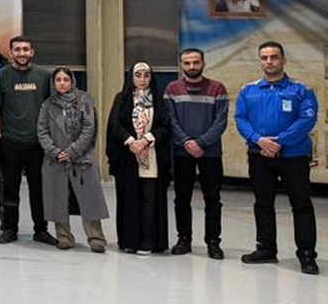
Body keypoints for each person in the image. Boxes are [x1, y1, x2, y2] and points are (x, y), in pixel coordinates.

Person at [235, 41, 318, 274]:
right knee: (263, 203)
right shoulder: (248, 91)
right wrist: (259, 140)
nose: (269, 61)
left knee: (301, 204)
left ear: (283, 60)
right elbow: (241, 119)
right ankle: (266, 249)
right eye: (264, 57)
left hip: (294, 156)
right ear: (260, 61)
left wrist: (279, 141)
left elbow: (307, 119)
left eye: (274, 57)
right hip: (259, 155)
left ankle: (307, 255)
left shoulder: (301, 90)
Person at [164, 48, 229, 259]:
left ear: (203, 63)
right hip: (181, 152)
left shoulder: (217, 88)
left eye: (195, 62)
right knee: (182, 198)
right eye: (187, 63)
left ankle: (213, 242)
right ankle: (184, 239)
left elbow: (220, 122)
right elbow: (170, 120)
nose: (192, 66)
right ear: (181, 65)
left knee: (213, 199)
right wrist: (186, 142)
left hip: (210, 153)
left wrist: (200, 143)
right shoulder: (172, 89)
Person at [0, 35, 55, 245]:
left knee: (39, 190)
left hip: (38, 143)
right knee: (10, 189)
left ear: (32, 52)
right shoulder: (1, 77)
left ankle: (41, 230)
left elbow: (52, 107)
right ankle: (10, 229)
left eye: (25, 49)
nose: (22, 53)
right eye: (17, 49)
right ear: (11, 53)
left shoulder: (44, 76)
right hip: (11, 142)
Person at [37, 68, 108, 253]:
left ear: (72, 81)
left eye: (66, 79)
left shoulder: (85, 100)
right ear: (53, 83)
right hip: (56, 161)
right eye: (58, 80)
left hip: (82, 159)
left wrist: (72, 151)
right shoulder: (47, 105)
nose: (62, 83)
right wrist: (55, 152)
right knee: (58, 199)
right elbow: (42, 132)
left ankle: (96, 238)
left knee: (89, 200)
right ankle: (64, 237)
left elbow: (89, 129)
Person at [106, 62, 171, 255]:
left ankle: (149, 242)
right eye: (138, 75)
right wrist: (131, 142)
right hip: (128, 157)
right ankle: (130, 241)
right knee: (130, 199)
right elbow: (115, 125)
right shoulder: (122, 98)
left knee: (150, 199)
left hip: (152, 156)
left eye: (146, 75)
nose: (142, 80)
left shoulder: (158, 100)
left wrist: (146, 140)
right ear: (131, 78)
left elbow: (165, 126)